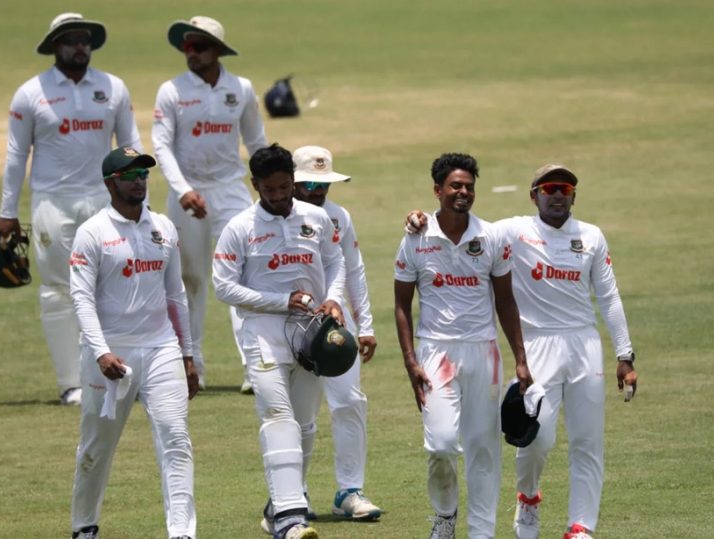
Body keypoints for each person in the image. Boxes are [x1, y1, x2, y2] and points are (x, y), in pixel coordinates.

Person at [405, 164, 638, 539]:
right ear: (535, 196)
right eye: (549, 188)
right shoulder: (511, 231)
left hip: (584, 344)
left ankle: (580, 527)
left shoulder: (592, 237)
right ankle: (528, 498)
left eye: (565, 189)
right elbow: (459, 223)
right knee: (536, 438)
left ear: (574, 196)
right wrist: (422, 220)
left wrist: (624, 354)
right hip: (535, 344)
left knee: (587, 441)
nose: (558, 195)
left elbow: (608, 297)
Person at [0, 13, 143, 405]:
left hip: (104, 200)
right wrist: (7, 212)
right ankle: (71, 383)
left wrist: (137, 199)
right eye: (70, 40)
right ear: (54, 46)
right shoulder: (31, 93)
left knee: (116, 285)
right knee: (60, 291)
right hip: (52, 203)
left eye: (84, 39)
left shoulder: (113, 88)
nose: (80, 46)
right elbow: (16, 155)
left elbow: (130, 145)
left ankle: (116, 374)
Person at [393, 153, 533, 539]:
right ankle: (444, 515)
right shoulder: (415, 238)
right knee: (440, 444)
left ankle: (482, 532)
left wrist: (520, 359)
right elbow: (402, 305)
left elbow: (506, 301)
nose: (463, 192)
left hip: (483, 353)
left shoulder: (491, 237)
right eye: (455, 185)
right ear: (438, 190)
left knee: (483, 448)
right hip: (435, 353)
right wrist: (409, 360)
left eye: (469, 186)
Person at [212, 143, 346, 539]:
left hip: (311, 336)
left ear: (293, 181)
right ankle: (290, 516)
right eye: (268, 189)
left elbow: (336, 262)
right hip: (264, 336)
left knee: (304, 425)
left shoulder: (317, 218)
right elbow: (223, 287)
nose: (277, 196)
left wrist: (334, 298)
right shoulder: (239, 227)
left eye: (284, 187)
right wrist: (278, 302)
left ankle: (277, 507)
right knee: (279, 418)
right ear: (254, 185)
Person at [68, 147, 198, 539]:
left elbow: (176, 295)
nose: (139, 179)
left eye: (143, 172)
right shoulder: (92, 232)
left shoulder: (163, 228)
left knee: (175, 437)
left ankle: (182, 532)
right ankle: (84, 526)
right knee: (95, 449)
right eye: (129, 174)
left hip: (161, 349)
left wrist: (188, 353)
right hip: (111, 354)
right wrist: (101, 350)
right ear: (111, 183)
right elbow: (81, 298)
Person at [152, 16, 268, 393]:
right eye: (186, 47)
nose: (191, 53)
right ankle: (192, 367)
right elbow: (161, 146)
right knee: (191, 279)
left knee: (243, 276)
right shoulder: (171, 90)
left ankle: (255, 366)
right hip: (186, 194)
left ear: (216, 50)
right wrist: (183, 189)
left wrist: (271, 183)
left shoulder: (241, 88)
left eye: (198, 47)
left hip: (230, 189)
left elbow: (256, 142)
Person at [289, 146, 382, 522]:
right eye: (309, 183)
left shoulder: (339, 216)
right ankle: (293, 495)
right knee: (299, 417)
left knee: (348, 403)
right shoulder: (277, 217)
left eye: (324, 183)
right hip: (293, 329)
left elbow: (354, 271)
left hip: (338, 328)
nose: (318, 190)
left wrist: (368, 326)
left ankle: (350, 491)